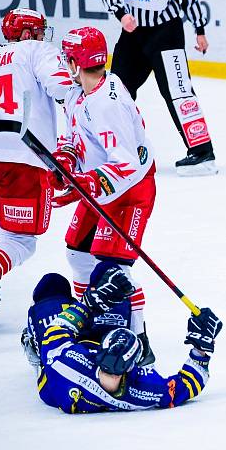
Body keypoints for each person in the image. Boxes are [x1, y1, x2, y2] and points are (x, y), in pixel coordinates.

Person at [53, 26, 158, 360]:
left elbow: (126, 163)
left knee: (115, 271)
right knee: (77, 254)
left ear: (75, 61)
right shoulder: (78, 93)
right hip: (101, 189)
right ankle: (95, 323)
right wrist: (66, 160)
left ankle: (140, 342)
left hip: (132, 191)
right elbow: (72, 135)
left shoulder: (107, 104)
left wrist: (86, 183)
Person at [22, 262, 222, 413]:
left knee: (51, 284)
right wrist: (202, 350)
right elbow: (185, 386)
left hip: (59, 350)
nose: (113, 374)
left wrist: (88, 303)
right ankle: (133, 333)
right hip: (92, 342)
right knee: (109, 271)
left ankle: (32, 345)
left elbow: (56, 331)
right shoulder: (143, 389)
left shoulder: (66, 362)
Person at [100, 0, 217, 176]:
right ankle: (121, 148)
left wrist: (199, 29)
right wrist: (121, 13)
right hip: (132, 32)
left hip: (166, 33)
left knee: (178, 91)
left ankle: (202, 153)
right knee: (115, 89)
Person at [0, 8, 72, 315]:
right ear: (28, 34)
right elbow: (62, 87)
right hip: (24, 156)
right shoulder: (36, 49)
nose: (42, 36)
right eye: (38, 31)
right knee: (21, 242)